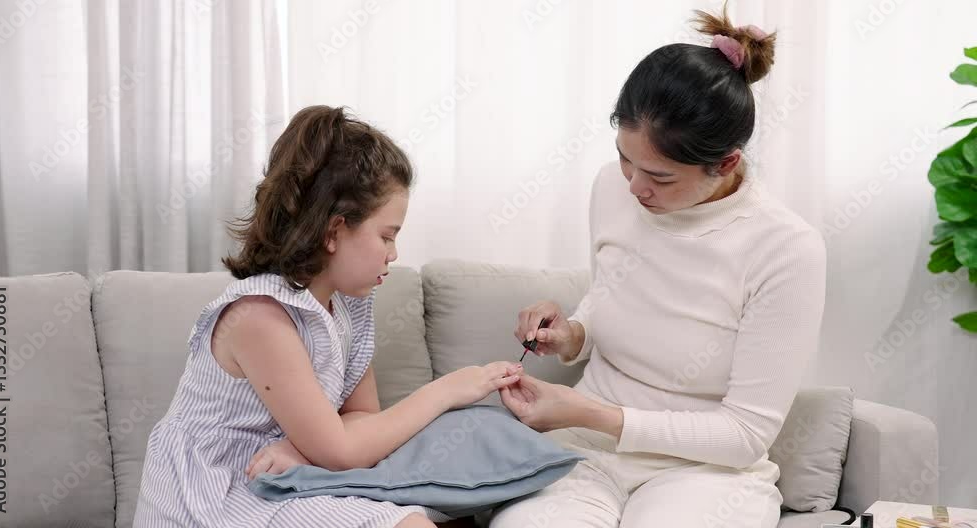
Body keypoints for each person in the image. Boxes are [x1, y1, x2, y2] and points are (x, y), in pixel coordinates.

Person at [489, 9, 827, 528]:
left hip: (706, 472)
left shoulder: (786, 248)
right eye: (625, 158)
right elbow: (612, 296)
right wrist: (573, 334)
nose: (633, 187)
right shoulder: (612, 187)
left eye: (660, 177)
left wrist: (590, 413)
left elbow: (744, 435)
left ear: (727, 162)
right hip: (584, 453)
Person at [132, 105, 524, 528]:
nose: (393, 254)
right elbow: (343, 450)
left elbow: (362, 420)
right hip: (216, 492)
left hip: (288, 476)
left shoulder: (348, 308)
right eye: (387, 236)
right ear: (334, 231)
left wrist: (305, 450)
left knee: (421, 516)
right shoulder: (259, 317)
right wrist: (447, 390)